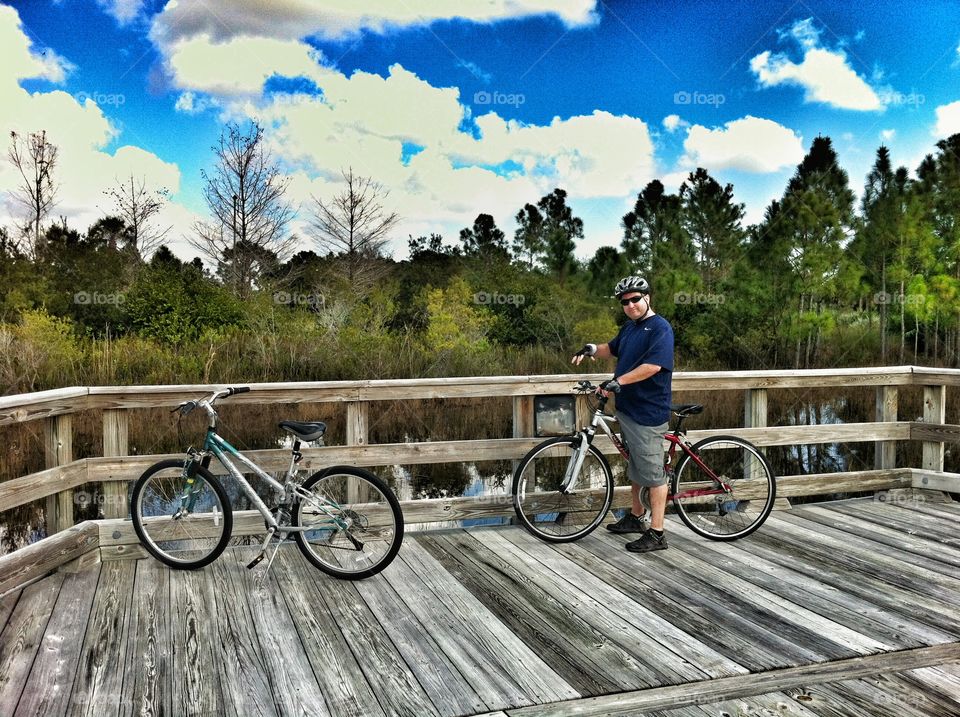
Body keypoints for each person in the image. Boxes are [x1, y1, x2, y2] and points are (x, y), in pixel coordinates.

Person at [571, 275, 674, 553]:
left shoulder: (660, 328)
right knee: (635, 468)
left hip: (648, 412)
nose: (630, 305)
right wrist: (591, 349)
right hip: (627, 409)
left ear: (647, 298)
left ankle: (657, 533)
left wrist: (619, 382)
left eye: (635, 299)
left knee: (653, 474)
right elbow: (610, 349)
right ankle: (636, 517)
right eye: (624, 302)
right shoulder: (630, 328)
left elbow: (653, 366)